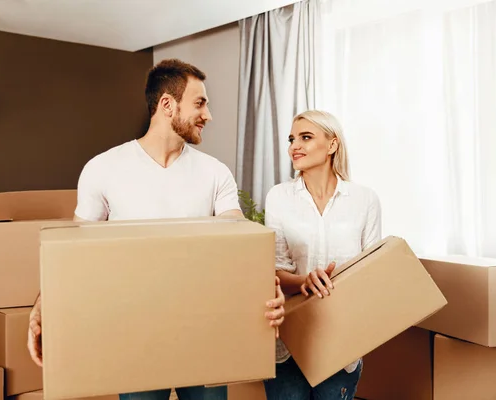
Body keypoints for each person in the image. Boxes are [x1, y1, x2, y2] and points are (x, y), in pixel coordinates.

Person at [26, 59, 286, 400]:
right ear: (167, 104)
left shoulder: (215, 173)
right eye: (200, 103)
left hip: (205, 332)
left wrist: (267, 287)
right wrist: (43, 306)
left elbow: (239, 247)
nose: (208, 115)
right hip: (136, 336)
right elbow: (74, 253)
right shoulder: (103, 169)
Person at [262, 110, 382, 400]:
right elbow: (274, 272)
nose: (294, 146)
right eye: (292, 139)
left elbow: (372, 272)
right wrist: (304, 280)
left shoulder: (365, 200)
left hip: (341, 341)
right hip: (289, 343)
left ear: (332, 145)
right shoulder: (279, 197)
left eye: (305, 137)